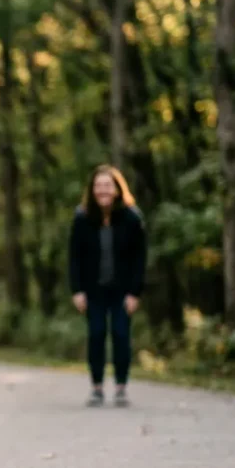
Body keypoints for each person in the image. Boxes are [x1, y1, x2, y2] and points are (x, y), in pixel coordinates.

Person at [68, 164, 146, 408]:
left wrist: (135, 292)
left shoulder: (132, 218)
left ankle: (121, 388)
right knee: (96, 335)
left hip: (122, 291)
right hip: (94, 291)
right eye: (98, 186)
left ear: (117, 189)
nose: (102, 190)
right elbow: (74, 257)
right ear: (92, 190)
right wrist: (77, 290)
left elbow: (140, 258)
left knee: (121, 335)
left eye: (107, 186)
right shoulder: (82, 218)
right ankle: (97, 388)